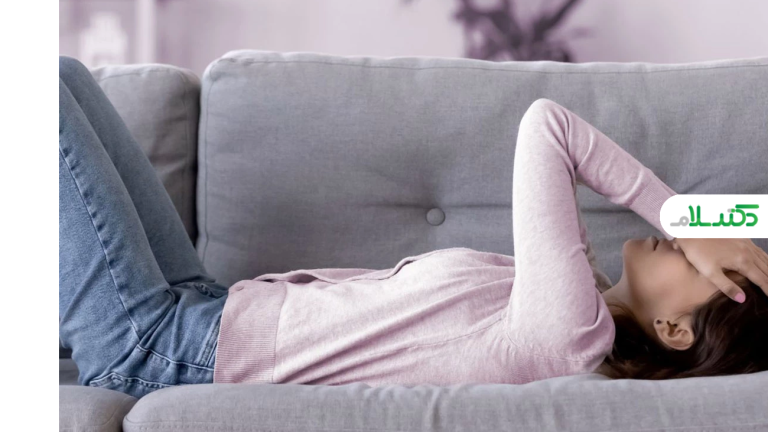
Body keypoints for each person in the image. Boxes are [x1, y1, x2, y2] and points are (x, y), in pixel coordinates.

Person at [59, 56, 768, 398]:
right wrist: (719, 220)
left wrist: (682, 215)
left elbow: (547, 126)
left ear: (676, 331)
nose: (691, 247)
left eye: (704, 266)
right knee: (69, 75)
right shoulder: (579, 287)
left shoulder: (568, 336)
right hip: (206, 308)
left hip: (164, 350)